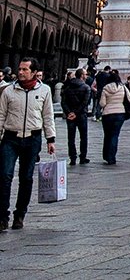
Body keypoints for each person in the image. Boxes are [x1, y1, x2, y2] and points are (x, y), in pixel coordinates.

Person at [0, 58, 57, 230]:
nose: (21, 72)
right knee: (4, 176)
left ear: (33, 72)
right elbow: (1, 115)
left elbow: (48, 116)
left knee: (26, 178)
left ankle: (20, 215)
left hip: (33, 139)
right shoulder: (8, 90)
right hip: (10, 138)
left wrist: (51, 138)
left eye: (25, 69)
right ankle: (2, 217)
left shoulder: (45, 90)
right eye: (20, 69)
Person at [96, 67, 130, 165]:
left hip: (107, 114)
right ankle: (112, 157)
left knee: (107, 135)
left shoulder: (105, 88)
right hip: (120, 113)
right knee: (115, 135)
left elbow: (102, 103)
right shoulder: (122, 87)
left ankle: (106, 155)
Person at [60, 68, 92, 166]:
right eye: (85, 74)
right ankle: (83, 157)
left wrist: (69, 113)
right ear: (82, 75)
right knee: (83, 137)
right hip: (81, 115)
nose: (86, 76)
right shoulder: (86, 87)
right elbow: (85, 103)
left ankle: (72, 158)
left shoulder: (67, 87)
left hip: (70, 116)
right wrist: (76, 113)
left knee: (71, 138)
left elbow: (63, 102)